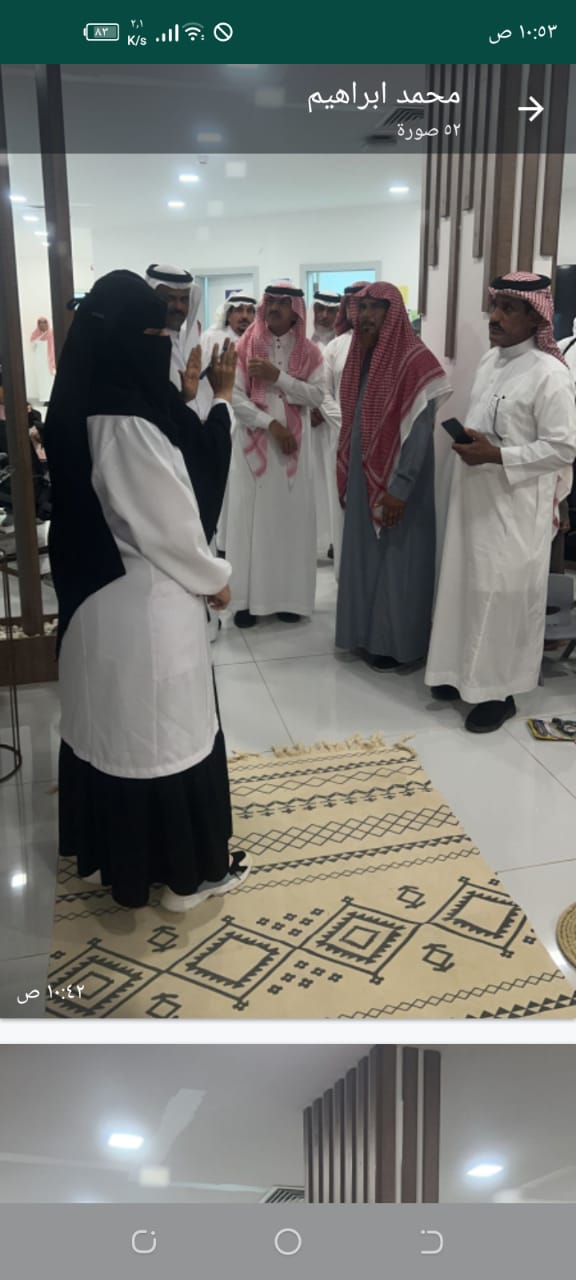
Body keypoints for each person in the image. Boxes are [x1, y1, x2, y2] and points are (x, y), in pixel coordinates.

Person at [43, 270, 249, 911]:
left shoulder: (80, 397)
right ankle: (186, 877)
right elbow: (169, 525)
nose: (162, 344)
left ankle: (112, 859)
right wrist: (215, 580)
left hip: (94, 601)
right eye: (154, 334)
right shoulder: (124, 420)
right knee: (162, 736)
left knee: (108, 731)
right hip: (146, 604)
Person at [426, 272, 576, 733]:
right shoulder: (491, 361)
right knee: (466, 588)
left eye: (509, 309)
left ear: (535, 318)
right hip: (474, 497)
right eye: (495, 306)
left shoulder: (550, 374)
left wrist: (497, 455)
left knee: (503, 596)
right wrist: (476, 441)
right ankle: (457, 674)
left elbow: (563, 447)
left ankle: (499, 692)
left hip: (515, 508)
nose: (495, 317)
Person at [335, 282, 451, 669]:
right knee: (364, 559)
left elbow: (419, 432)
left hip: (400, 483)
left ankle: (394, 645)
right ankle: (362, 636)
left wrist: (400, 488)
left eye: (375, 308)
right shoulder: (361, 357)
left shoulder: (416, 361)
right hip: (363, 476)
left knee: (397, 564)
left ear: (393, 313)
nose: (365, 316)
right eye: (362, 307)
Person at [227, 282, 325, 627]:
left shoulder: (311, 353)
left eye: (284, 302)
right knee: (249, 524)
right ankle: (245, 602)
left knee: (289, 524)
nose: (275, 307)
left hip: (292, 454)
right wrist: (271, 425)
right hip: (253, 447)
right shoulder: (245, 346)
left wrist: (278, 377)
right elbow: (234, 397)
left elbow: (317, 396)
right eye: (271, 301)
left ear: (296, 310)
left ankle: (287, 598)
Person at [320, 282, 372, 572]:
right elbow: (323, 394)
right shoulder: (334, 347)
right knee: (340, 505)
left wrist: (367, 429)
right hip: (339, 441)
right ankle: (344, 573)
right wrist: (349, 427)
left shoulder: (385, 345)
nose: (361, 311)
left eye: (368, 306)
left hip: (377, 442)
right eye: (356, 305)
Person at [145, 263, 213, 420]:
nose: (178, 307)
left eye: (184, 299)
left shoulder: (191, 339)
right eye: (170, 299)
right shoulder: (145, 344)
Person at [306, 290, 341, 559]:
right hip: (306, 428)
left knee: (333, 482)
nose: (324, 316)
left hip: (335, 427)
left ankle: (334, 540)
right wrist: (308, 409)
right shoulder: (301, 343)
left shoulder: (345, 345)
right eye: (320, 309)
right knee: (312, 483)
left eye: (331, 310)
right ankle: (312, 541)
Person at [201, 290, 257, 362]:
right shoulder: (210, 338)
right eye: (239, 310)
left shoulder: (259, 341)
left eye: (249, 311)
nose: (245, 316)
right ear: (228, 315)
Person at [29, 316, 56, 406]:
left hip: (49, 362)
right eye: (40, 323)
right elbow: (32, 347)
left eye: (44, 322)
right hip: (39, 362)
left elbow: (53, 348)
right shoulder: (35, 334)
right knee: (42, 381)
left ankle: (51, 399)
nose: (42, 324)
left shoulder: (51, 333)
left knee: (50, 381)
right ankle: (45, 398)